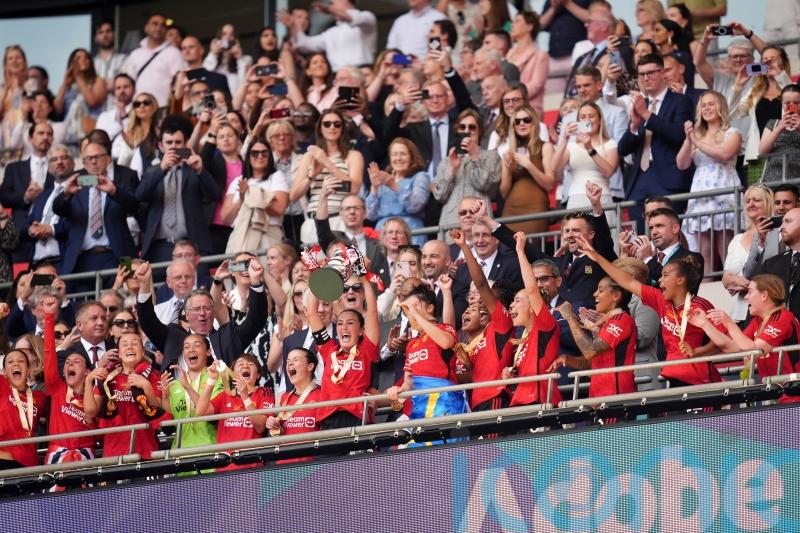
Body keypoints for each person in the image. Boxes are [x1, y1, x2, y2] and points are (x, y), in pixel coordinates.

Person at [578, 234, 722, 387]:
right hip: (673, 377)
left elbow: (721, 340)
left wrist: (697, 352)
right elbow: (625, 281)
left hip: (701, 381)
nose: (659, 280)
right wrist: (596, 257)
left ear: (680, 280)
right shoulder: (660, 300)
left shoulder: (701, 305)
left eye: (665, 275)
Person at [135, 258, 267, 369]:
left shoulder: (229, 336)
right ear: (186, 314)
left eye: (207, 308)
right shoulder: (173, 337)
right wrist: (144, 286)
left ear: (213, 311)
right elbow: (148, 321)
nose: (202, 313)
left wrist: (255, 281)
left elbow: (256, 319)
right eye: (196, 309)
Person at [690, 274, 800, 402]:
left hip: (795, 395)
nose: (746, 298)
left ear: (764, 295)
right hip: (780, 395)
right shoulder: (758, 321)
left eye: (750, 292)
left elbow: (754, 350)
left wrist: (729, 323)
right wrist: (705, 324)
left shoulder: (782, 317)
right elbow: (733, 347)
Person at [618, 54, 693, 229]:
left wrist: (647, 115)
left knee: (669, 235)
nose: (646, 78)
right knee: (642, 238)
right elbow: (622, 149)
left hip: (667, 178)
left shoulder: (681, 101)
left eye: (651, 73)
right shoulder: (640, 104)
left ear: (663, 74)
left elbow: (680, 136)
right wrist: (634, 126)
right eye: (642, 74)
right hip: (639, 181)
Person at [53, 142, 139, 291]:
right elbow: (58, 209)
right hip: (82, 258)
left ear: (108, 159)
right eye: (88, 158)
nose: (93, 161)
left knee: (120, 303)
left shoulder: (119, 184)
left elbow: (135, 206)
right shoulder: (76, 188)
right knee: (83, 307)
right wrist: (66, 193)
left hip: (116, 256)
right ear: (84, 162)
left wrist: (114, 191)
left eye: (98, 157)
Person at [136, 117, 221, 264]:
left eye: (178, 142)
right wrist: (161, 169)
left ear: (185, 144)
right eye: (169, 143)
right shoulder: (152, 171)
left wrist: (200, 170)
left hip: (193, 245)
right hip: (159, 247)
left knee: (197, 286)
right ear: (161, 146)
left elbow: (214, 195)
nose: (174, 147)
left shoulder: (194, 168)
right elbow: (138, 196)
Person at [386, 281, 467, 434]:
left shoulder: (444, 329)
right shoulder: (412, 344)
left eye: (415, 306)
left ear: (430, 308)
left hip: (445, 402)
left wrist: (416, 314)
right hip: (419, 406)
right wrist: (396, 394)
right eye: (407, 309)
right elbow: (408, 384)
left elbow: (445, 342)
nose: (410, 312)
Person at [449, 228, 515, 411]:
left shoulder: (501, 323)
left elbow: (480, 283)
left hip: (494, 397)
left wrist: (464, 246)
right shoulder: (482, 335)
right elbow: (474, 376)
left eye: (488, 298)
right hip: (476, 401)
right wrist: (468, 366)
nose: (483, 300)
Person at [679, 90, 742, 274]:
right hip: (700, 193)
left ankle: (731, 289)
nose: (707, 108)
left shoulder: (732, 132)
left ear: (720, 106)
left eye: (711, 104)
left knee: (726, 247)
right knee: (703, 252)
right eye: (703, 105)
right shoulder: (696, 136)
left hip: (723, 188)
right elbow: (682, 164)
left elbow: (725, 154)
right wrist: (688, 139)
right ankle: (706, 293)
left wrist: (696, 141)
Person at [307, 270, 379, 430]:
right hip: (328, 418)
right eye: (340, 323)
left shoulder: (367, 350)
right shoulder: (329, 349)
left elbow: (372, 311)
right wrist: (318, 276)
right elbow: (312, 313)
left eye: (350, 323)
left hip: (356, 416)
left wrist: (363, 275)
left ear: (361, 330)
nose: (344, 327)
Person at [500, 232, 563, 407]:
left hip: (542, 402)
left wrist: (520, 251)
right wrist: (511, 377)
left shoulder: (544, 325)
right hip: (521, 404)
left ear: (533, 305)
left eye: (517, 301)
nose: (511, 306)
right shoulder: (524, 337)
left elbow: (532, 289)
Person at [550, 277, 638, 400]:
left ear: (616, 296)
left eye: (600, 290)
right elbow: (592, 363)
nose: (594, 294)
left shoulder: (621, 321)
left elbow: (589, 351)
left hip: (616, 397)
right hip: (598, 396)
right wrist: (567, 359)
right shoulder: (607, 323)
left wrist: (570, 318)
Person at [83, 332, 162, 459]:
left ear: (142, 352)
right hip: (113, 452)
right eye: (124, 345)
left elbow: (159, 411)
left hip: (146, 450)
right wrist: (88, 381)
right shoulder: (107, 377)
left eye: (134, 344)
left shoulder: (152, 375)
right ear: (119, 353)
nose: (129, 347)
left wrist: (146, 387)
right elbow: (90, 413)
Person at [291, 109, 364, 244]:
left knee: (345, 264)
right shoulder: (309, 156)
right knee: (315, 265)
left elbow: (354, 188)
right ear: (320, 128)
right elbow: (294, 196)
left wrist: (327, 163)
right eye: (327, 124)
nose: (332, 127)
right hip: (313, 221)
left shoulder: (353, 155)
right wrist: (311, 176)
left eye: (337, 124)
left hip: (341, 219)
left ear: (343, 128)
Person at [194, 354, 274, 471]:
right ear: (233, 374)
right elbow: (200, 411)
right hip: (224, 465)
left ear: (257, 375)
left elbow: (261, 427)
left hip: (252, 465)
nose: (245, 366)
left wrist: (245, 396)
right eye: (240, 364)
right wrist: (211, 380)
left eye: (250, 364)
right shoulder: (225, 395)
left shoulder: (265, 393)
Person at [42, 310, 96, 465]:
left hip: (86, 457)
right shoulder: (56, 387)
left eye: (76, 362)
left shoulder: (95, 395)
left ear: (87, 371)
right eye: (67, 362)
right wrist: (49, 317)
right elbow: (49, 353)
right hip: (57, 456)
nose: (70, 363)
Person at [433, 108, 500, 233]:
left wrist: (475, 157)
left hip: (480, 224)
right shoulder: (446, 161)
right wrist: (452, 169)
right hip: (451, 225)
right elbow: (440, 196)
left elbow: (484, 185)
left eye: (472, 127)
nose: (467, 131)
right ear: (457, 131)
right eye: (462, 127)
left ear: (480, 131)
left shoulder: (491, 156)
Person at [554, 101, 619, 227]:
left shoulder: (610, 144)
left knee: (604, 241)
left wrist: (590, 148)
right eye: (583, 117)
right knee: (576, 240)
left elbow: (609, 171)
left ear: (600, 120)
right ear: (578, 121)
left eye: (591, 116)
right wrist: (565, 138)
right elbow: (554, 167)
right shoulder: (571, 146)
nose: (587, 120)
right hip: (576, 198)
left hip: (602, 197)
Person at [221, 138, 289, 255]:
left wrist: (251, 194)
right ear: (248, 157)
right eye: (255, 153)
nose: (260, 156)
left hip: (268, 233)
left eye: (265, 153)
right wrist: (242, 199)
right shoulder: (238, 181)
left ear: (270, 156)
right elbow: (225, 219)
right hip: (240, 234)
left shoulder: (276, 176)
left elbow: (279, 209)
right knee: (239, 272)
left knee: (269, 271)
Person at [0, 121, 54, 263]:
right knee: (22, 281)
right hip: (20, 235)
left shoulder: (58, 167)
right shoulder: (14, 168)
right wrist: (25, 197)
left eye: (49, 134)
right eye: (41, 133)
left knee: (46, 280)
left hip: (49, 233)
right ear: (30, 139)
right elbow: (4, 197)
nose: (45, 137)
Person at [160, 334, 222, 452]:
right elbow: (168, 426)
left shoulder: (216, 379)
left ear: (208, 352)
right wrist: (165, 396)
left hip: (210, 450)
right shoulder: (174, 385)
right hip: (180, 453)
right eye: (186, 347)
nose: (191, 350)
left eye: (197, 345)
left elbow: (209, 413)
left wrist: (187, 387)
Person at [315, 192, 391, 288]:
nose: (352, 212)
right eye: (347, 208)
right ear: (340, 214)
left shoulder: (379, 245)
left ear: (365, 213)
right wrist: (323, 196)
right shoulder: (334, 241)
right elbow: (322, 228)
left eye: (356, 208)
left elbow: (384, 279)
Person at [279, 0, 377, 72]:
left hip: (362, 74)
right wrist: (294, 26)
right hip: (337, 78)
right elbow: (305, 44)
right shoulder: (331, 33)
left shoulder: (367, 18)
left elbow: (353, 18)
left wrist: (332, 10)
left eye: (333, 2)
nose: (330, 2)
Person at [723, 185, 773, 324]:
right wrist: (739, 281)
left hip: (767, 310)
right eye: (747, 201)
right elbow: (725, 278)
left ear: (768, 203)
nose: (751, 204)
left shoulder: (778, 234)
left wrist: (744, 285)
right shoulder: (737, 239)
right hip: (739, 311)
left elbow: (772, 272)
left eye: (756, 200)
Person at [365, 138, 430, 244]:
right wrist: (375, 188)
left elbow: (416, 206)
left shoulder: (420, 176)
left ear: (412, 157)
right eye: (394, 154)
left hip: (409, 232)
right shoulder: (383, 180)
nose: (398, 158)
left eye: (403, 154)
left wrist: (394, 186)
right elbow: (371, 215)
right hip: (383, 233)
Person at [265, 347, 321, 460]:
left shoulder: (322, 394)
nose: (290, 363)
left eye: (295, 359)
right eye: (288, 361)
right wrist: (274, 426)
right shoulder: (284, 398)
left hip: (313, 465)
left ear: (310, 366)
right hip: (286, 465)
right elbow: (281, 434)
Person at [125, 13, 185, 107]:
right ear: (146, 28)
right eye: (155, 24)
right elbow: (128, 84)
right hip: (138, 109)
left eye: (162, 25)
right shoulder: (135, 54)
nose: (158, 28)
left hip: (164, 109)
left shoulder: (174, 53)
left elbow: (179, 83)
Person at [0, 348, 47, 468]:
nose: (16, 363)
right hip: (3, 459)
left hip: (29, 462)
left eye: (21, 361)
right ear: (4, 372)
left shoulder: (40, 397)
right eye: (10, 362)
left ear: (28, 371)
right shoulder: (2, 386)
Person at [54, 48, 107, 149]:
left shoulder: (97, 81)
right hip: (68, 137)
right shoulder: (68, 85)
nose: (83, 60)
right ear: (71, 63)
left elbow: (92, 102)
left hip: (89, 134)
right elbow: (57, 110)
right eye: (78, 58)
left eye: (86, 57)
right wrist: (65, 84)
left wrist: (79, 79)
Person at [757, 207, 800, 318]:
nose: (781, 227)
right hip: (779, 333)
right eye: (781, 223)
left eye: (788, 221)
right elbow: (758, 299)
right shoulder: (771, 264)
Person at [505, 11, 549, 117]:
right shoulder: (510, 52)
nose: (512, 25)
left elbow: (536, 85)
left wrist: (513, 95)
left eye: (517, 21)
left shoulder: (540, 55)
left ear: (529, 26)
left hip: (529, 110)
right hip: (508, 108)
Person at [759, 84, 800, 183]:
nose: (791, 106)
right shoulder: (773, 123)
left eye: (796, 102)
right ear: (782, 104)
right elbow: (762, 151)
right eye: (787, 103)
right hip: (774, 179)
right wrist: (779, 129)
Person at [93, 20, 128, 91]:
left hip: (117, 102)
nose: (105, 35)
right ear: (96, 38)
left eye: (108, 31)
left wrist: (98, 86)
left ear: (114, 34)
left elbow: (123, 84)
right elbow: (89, 88)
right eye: (101, 32)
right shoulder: (91, 63)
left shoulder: (124, 59)